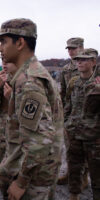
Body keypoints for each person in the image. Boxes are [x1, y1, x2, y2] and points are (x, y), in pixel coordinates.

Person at [0, 18, 63, 200]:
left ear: (20, 42)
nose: (0, 49)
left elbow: (40, 140)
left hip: (33, 178)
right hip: (40, 169)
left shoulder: (28, 82)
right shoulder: (34, 72)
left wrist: (21, 182)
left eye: (4, 42)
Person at [64, 48, 100, 200]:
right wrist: (66, 123)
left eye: (84, 59)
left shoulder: (98, 85)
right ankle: (74, 196)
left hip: (93, 137)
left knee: (97, 173)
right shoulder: (74, 82)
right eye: (78, 59)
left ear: (94, 62)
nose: (79, 62)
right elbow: (68, 104)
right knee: (74, 169)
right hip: (74, 134)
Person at [58, 37, 89, 186]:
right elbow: (62, 93)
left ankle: (84, 177)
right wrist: (62, 113)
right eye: (69, 49)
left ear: (82, 48)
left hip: (88, 113)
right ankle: (71, 173)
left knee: (87, 147)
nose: (70, 51)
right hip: (70, 114)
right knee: (70, 146)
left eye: (73, 48)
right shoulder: (66, 69)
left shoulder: (91, 66)